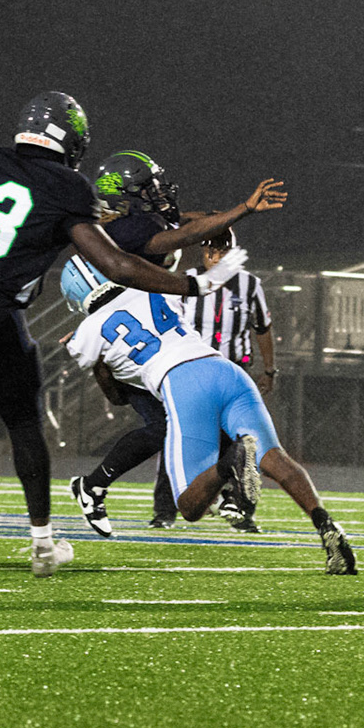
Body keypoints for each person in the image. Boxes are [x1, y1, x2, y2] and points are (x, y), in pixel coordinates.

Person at [0, 93, 246, 579]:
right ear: (73, 140)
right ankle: (43, 545)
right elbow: (117, 264)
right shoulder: (66, 186)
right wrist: (194, 284)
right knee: (23, 425)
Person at [60, 255, 357, 575]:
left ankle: (232, 462)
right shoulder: (151, 289)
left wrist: (99, 359)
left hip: (184, 383)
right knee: (276, 459)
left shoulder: (87, 333)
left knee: (190, 506)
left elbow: (116, 398)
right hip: (227, 371)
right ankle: (328, 526)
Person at [66, 152, 286, 535]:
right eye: (148, 188)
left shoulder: (133, 220)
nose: (159, 193)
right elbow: (181, 235)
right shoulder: (122, 232)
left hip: (146, 332)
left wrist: (222, 218)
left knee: (174, 424)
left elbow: (185, 222)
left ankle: (99, 486)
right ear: (125, 195)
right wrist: (242, 209)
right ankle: (104, 487)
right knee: (163, 424)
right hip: (127, 337)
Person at [175, 228, 277, 532]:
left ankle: (242, 508)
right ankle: (167, 508)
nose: (216, 257)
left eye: (222, 251)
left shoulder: (249, 285)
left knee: (246, 439)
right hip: (195, 372)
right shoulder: (185, 281)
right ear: (202, 252)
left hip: (235, 373)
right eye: (211, 251)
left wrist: (270, 369)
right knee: (184, 437)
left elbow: (263, 328)